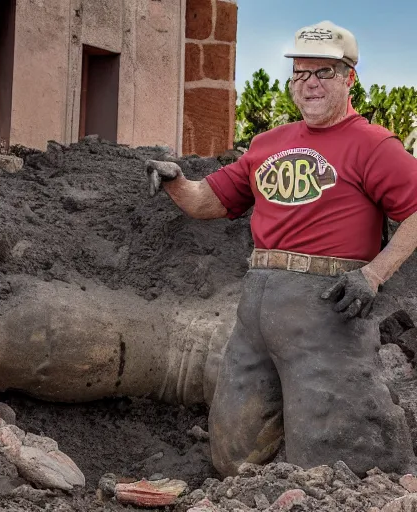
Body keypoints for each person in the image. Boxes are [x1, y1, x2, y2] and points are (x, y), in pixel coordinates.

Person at [146, 20, 417, 476]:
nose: (309, 82)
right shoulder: (266, 144)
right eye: (300, 72)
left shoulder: (374, 145)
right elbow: (209, 200)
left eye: (323, 72)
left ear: (348, 77)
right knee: (235, 441)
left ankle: (368, 493)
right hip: (258, 305)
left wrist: (373, 275)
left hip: (328, 308)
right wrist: (176, 181)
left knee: (337, 445)